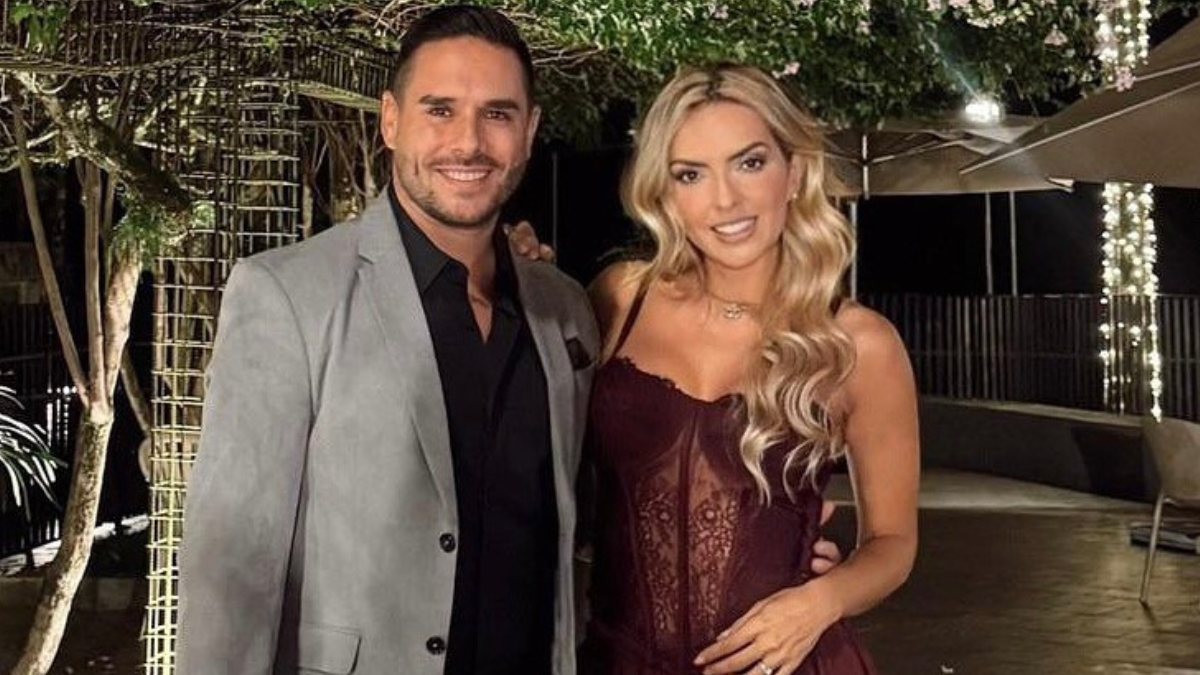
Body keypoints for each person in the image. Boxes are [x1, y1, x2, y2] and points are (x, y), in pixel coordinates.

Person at [177, 6, 843, 674]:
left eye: (496, 114)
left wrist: (772, 545)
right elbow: (229, 569)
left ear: (528, 131)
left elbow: (606, 502)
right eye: (440, 110)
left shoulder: (565, 308)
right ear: (391, 120)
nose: (467, 142)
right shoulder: (287, 295)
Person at [578, 64, 920, 675]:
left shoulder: (859, 344)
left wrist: (821, 601)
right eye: (690, 174)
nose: (725, 200)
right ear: (665, 193)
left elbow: (893, 544)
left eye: (750, 163)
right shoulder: (620, 300)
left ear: (795, 173)